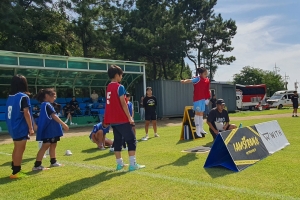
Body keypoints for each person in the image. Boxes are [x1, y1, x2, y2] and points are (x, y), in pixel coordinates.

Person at [104, 64, 145, 171]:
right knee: (131, 140)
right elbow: (123, 104)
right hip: (121, 119)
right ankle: (133, 164)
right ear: (117, 75)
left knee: (117, 141)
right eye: (121, 75)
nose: (121, 77)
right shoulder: (119, 87)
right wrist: (130, 118)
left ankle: (119, 164)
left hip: (113, 120)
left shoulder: (108, 87)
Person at [5, 75, 35, 179]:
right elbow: (26, 112)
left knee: (17, 147)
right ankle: (16, 172)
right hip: (19, 126)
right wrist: (31, 128)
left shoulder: (10, 97)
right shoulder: (23, 96)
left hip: (12, 126)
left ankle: (15, 169)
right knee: (20, 148)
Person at [32, 88, 69, 171]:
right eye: (53, 96)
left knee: (53, 145)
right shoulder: (46, 105)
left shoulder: (47, 105)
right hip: (49, 131)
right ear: (47, 96)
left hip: (53, 131)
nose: (54, 98)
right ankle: (37, 165)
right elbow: (54, 116)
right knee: (45, 146)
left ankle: (53, 161)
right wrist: (63, 124)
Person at [181, 67, 210, 138]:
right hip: (197, 99)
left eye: (206, 73)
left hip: (203, 99)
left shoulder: (206, 80)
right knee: (197, 114)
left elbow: (207, 89)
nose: (206, 75)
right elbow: (190, 80)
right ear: (200, 74)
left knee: (201, 114)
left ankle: (201, 128)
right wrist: (184, 81)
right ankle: (197, 130)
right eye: (204, 73)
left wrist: (207, 98)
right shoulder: (198, 79)